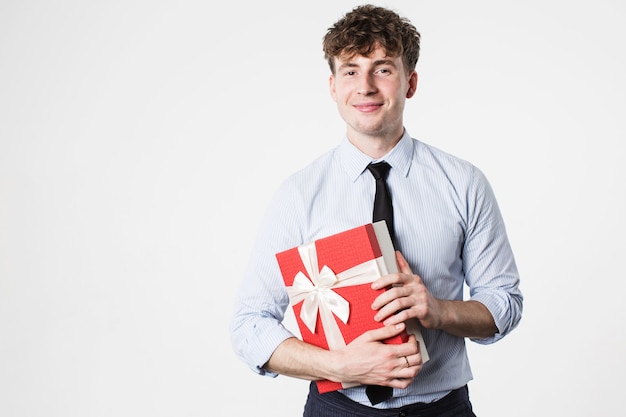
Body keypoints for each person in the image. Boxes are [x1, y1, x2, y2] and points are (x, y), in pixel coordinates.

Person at [230, 4, 523, 416]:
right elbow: (249, 325)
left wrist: (439, 310)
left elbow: (504, 302)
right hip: (337, 409)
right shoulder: (298, 195)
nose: (365, 86)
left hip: (442, 409)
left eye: (383, 68)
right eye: (350, 70)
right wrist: (339, 365)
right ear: (332, 86)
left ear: (410, 82)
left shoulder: (464, 183)